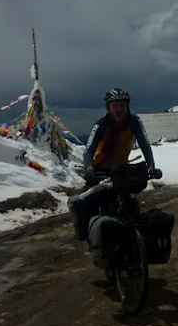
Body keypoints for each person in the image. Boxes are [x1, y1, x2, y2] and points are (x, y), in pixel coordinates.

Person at [67, 87, 156, 240]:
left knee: (131, 208)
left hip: (123, 171)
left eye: (122, 105)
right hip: (100, 171)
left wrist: (151, 166)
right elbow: (89, 150)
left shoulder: (134, 122)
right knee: (90, 205)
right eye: (115, 106)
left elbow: (144, 144)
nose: (119, 109)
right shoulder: (101, 125)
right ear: (108, 108)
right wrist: (89, 168)